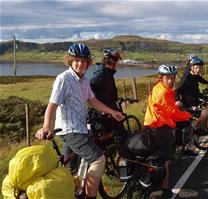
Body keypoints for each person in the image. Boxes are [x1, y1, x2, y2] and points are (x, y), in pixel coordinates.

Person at [35, 43, 123, 199]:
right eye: (76, 60)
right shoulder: (64, 79)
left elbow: (93, 101)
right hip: (70, 130)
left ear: (88, 63)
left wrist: (113, 112)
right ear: (70, 60)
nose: (80, 63)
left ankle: (70, 192)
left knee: (69, 171)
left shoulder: (84, 81)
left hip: (80, 128)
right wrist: (46, 126)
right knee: (98, 160)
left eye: (83, 60)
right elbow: (52, 105)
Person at [144, 64, 192, 198]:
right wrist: (187, 115)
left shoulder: (158, 88)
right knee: (166, 159)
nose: (170, 81)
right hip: (160, 128)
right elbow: (172, 113)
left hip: (150, 124)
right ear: (161, 78)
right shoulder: (163, 92)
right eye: (167, 78)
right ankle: (165, 190)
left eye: (172, 78)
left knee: (154, 155)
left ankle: (150, 179)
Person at [90, 48, 127, 142]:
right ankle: (124, 153)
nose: (118, 63)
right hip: (106, 108)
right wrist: (98, 101)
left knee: (112, 133)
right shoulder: (102, 73)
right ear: (113, 61)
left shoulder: (107, 72)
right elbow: (91, 86)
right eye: (117, 60)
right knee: (122, 134)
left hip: (109, 105)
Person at [175, 56, 208, 134]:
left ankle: (200, 125)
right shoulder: (186, 77)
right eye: (196, 68)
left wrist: (207, 82)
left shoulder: (194, 74)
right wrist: (177, 100)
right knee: (204, 112)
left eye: (200, 68)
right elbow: (177, 89)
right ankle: (196, 129)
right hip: (189, 102)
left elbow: (199, 79)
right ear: (192, 67)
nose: (198, 70)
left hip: (195, 97)